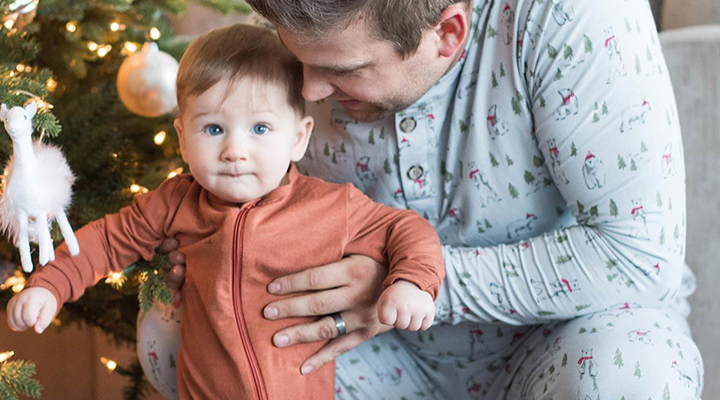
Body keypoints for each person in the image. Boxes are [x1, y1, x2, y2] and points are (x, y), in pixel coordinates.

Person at [156, 0, 705, 398]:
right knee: (173, 330)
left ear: (448, 33)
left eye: (343, 71)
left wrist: (404, 287)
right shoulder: (309, 17)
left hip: (564, 337)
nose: (311, 90)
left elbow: (638, 257)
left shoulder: (573, 16)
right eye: (299, 59)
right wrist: (209, 245)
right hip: (376, 356)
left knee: (631, 375)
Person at [5, 24, 446, 399]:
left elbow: (405, 229)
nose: (235, 150)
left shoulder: (329, 206)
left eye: (260, 128)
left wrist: (413, 283)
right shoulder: (175, 202)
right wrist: (50, 285)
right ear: (182, 137)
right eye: (213, 128)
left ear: (298, 137)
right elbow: (105, 240)